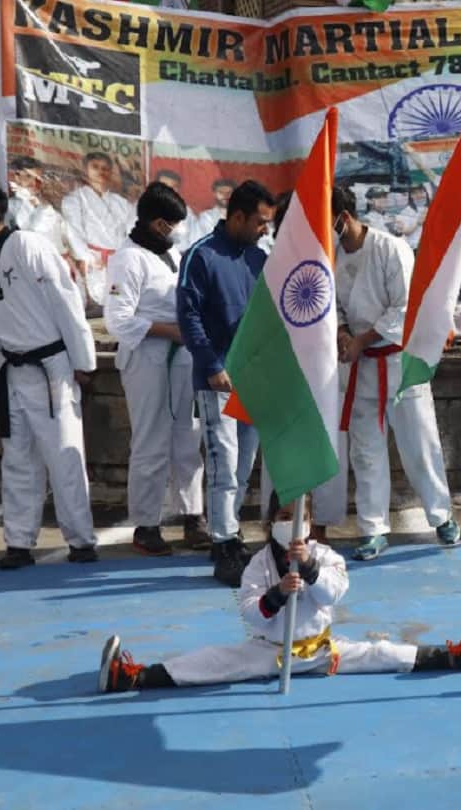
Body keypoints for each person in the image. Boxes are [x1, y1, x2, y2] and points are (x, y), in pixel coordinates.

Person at [99, 494, 461, 693]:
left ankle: (456, 657)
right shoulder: (257, 565)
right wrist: (278, 594)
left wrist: (311, 570)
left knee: (381, 652)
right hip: (270, 654)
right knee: (212, 661)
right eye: (284, 517)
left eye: (300, 516)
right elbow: (250, 613)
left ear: (311, 522)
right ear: (270, 523)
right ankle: (131, 678)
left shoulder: (327, 556)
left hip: (320, 650)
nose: (292, 524)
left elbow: (334, 594)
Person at [0, 183, 99, 569]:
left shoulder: (28, 246)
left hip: (51, 371)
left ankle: (81, 540)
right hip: (14, 374)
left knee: (64, 457)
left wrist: (83, 363)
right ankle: (19, 542)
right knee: (17, 461)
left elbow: (67, 302)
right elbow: (0, 333)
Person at [331, 185, 460, 561]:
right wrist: (342, 334)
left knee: (419, 445)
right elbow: (333, 304)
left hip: (400, 363)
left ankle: (441, 514)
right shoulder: (333, 255)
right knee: (366, 453)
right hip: (360, 366)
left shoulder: (391, 248)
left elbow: (405, 306)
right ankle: (373, 528)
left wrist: (362, 340)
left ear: (343, 216)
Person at [178, 180, 274, 585]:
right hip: (219, 379)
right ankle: (223, 542)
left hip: (254, 379)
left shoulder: (259, 258)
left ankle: (232, 532)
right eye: (260, 222)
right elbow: (189, 315)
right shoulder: (199, 256)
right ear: (237, 216)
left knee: (244, 463)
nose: (265, 229)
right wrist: (212, 364)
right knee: (223, 462)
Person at [104, 182, 208, 556]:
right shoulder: (127, 259)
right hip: (147, 356)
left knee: (188, 436)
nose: (177, 229)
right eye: (173, 223)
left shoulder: (173, 255)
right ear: (156, 222)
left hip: (182, 356)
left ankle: (193, 516)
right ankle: (146, 525)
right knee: (150, 439)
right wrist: (169, 331)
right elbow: (117, 319)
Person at [60, 151, 137, 304]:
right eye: (95, 167)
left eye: (105, 168)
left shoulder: (121, 202)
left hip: (119, 259)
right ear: (85, 171)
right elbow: (73, 231)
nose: (101, 171)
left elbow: (132, 230)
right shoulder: (74, 199)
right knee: (101, 299)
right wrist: (87, 256)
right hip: (95, 259)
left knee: (120, 299)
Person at [7, 156, 69, 256]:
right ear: (17, 176)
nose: (35, 182)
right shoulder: (11, 206)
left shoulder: (49, 204)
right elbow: (26, 232)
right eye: (29, 176)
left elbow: (63, 234)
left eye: (38, 178)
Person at [151, 169, 198, 246]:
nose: (168, 190)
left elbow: (194, 238)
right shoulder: (144, 207)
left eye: (173, 187)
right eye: (164, 186)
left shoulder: (187, 212)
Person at [189, 178, 236, 247]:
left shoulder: (243, 216)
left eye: (229, 193)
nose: (225, 196)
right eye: (221, 192)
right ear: (214, 193)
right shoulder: (206, 216)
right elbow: (196, 240)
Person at [391, 183, 429, 251]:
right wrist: (418, 223)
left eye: (421, 192)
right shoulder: (406, 211)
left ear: (426, 193)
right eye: (415, 193)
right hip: (415, 248)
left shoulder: (433, 208)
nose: (419, 195)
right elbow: (406, 232)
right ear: (411, 196)